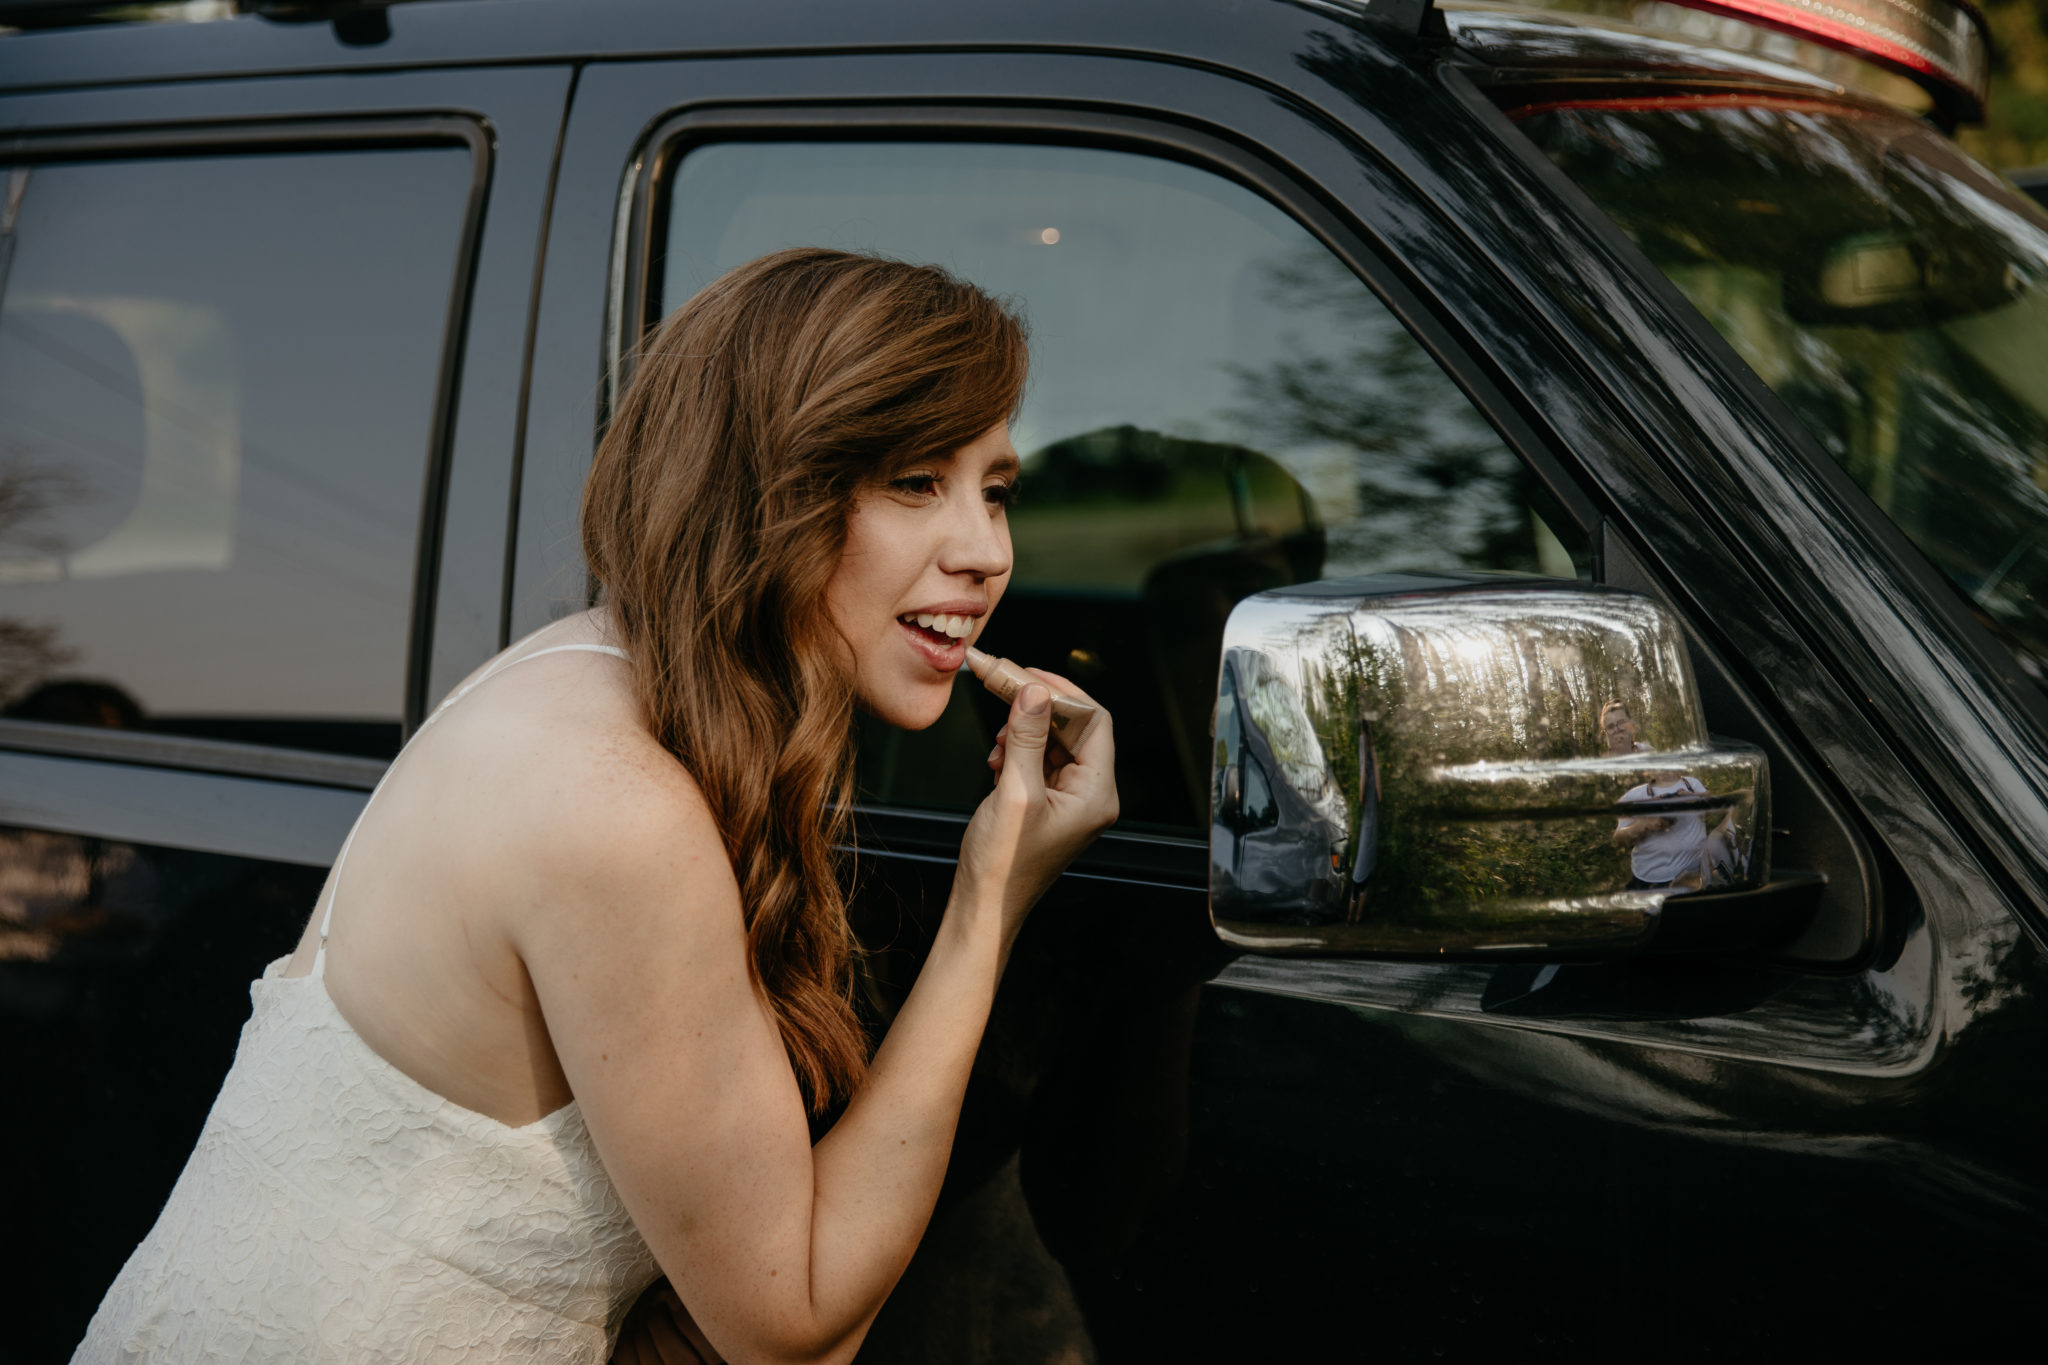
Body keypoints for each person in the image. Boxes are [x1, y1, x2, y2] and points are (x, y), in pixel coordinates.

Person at [71, 248, 1119, 1364]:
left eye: (995, 491)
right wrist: (992, 892)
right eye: (915, 482)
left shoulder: (571, 673)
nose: (984, 551)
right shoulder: (615, 807)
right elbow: (795, 1330)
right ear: (767, 487)